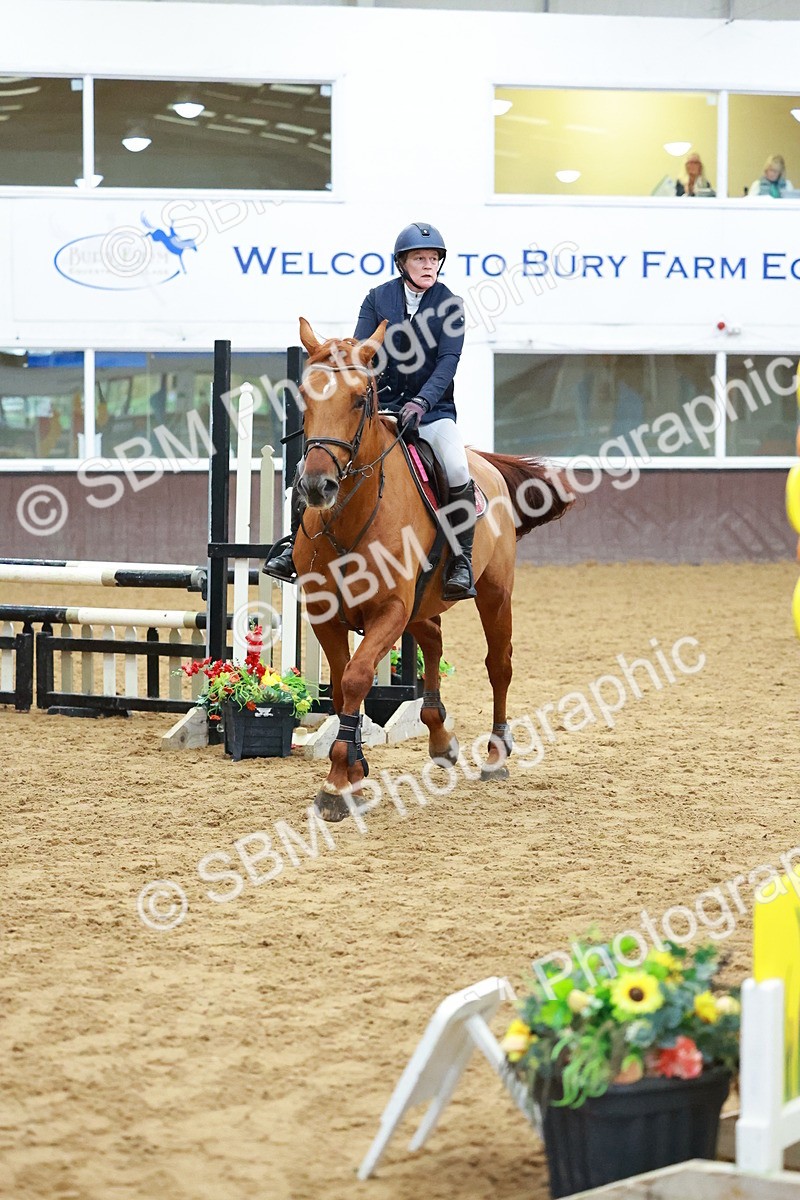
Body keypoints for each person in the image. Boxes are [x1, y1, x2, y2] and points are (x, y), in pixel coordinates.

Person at [264, 222, 477, 601]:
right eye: (419, 259)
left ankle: (461, 559)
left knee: (457, 466)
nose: (428, 266)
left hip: (433, 411)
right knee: (314, 466)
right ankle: (293, 546)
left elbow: (448, 362)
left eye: (434, 259)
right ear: (402, 263)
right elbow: (362, 356)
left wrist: (423, 402)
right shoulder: (378, 298)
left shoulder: (450, 305)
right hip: (381, 408)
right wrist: (367, 398)